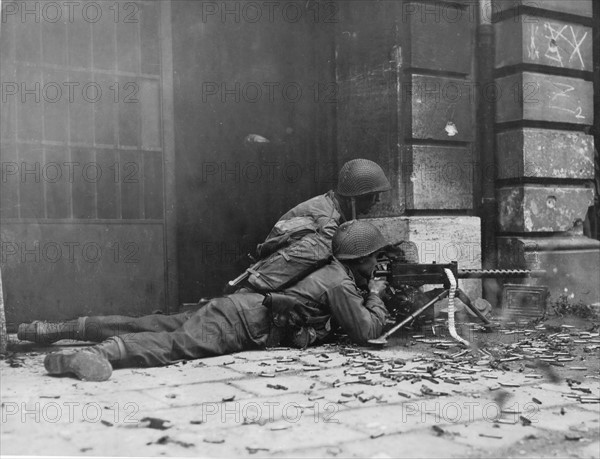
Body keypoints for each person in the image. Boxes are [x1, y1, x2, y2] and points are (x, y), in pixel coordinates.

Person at [18, 158, 394, 344]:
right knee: (172, 338)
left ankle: (58, 329)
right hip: (257, 304)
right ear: (357, 198)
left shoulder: (327, 210)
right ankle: (68, 335)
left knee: (164, 323)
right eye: (373, 197)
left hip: (254, 295)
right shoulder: (328, 229)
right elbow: (291, 270)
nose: (377, 204)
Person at [42, 220, 390, 381]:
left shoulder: (330, 269)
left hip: (238, 307)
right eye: (375, 258)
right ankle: (98, 353)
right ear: (360, 258)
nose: (376, 265)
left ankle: (65, 328)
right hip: (241, 323)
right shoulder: (340, 283)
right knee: (174, 345)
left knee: (153, 323)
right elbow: (367, 331)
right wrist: (375, 296)